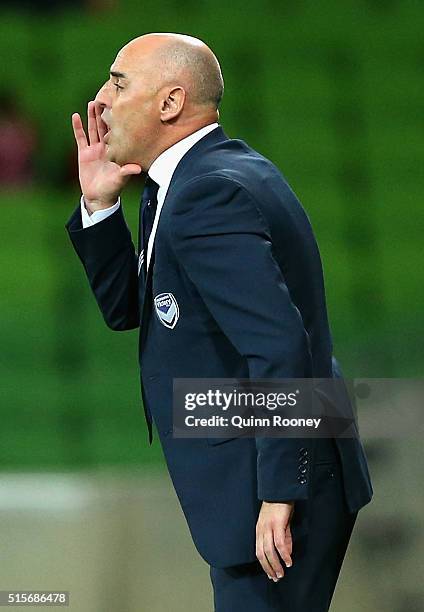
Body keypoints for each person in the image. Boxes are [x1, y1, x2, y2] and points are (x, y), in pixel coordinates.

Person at [66, 33, 372, 611]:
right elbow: (130, 311)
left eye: (119, 82)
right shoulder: (195, 179)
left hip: (279, 482)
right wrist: (102, 206)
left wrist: (280, 494)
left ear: (170, 103)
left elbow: (282, 345)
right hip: (280, 464)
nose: (101, 99)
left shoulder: (206, 195)